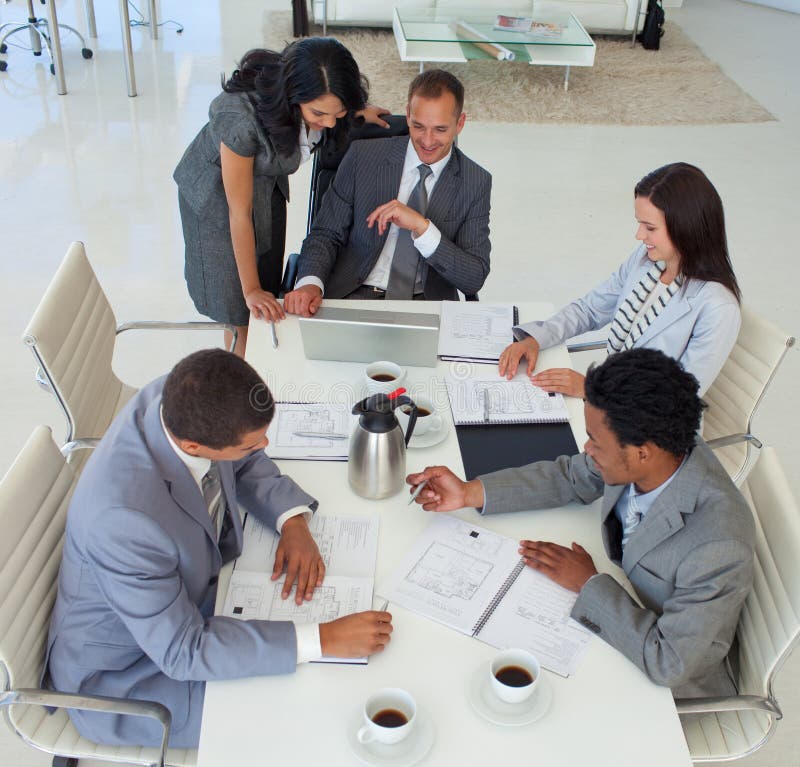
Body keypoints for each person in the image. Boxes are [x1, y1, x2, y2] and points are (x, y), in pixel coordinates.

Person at [45, 350, 393, 747]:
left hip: (193, 597)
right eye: (252, 444)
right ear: (194, 447)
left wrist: (291, 520)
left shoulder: (176, 397)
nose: (263, 445)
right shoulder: (125, 523)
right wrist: (322, 639)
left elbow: (240, 460)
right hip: (130, 675)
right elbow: (184, 652)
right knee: (313, 718)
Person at [407, 349, 754, 697]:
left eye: (596, 442)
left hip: (657, 683)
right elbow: (571, 476)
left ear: (641, 452)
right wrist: (469, 493)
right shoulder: (658, 443)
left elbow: (669, 662)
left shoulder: (718, 544)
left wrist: (588, 583)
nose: (586, 449)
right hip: (621, 615)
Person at [174, 39, 389, 356]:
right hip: (218, 201)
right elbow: (238, 213)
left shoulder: (322, 104)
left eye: (338, 112)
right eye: (319, 113)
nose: (330, 123)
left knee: (269, 281)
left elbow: (330, 108)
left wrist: (356, 112)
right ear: (293, 94)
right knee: (240, 305)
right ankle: (242, 368)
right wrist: (251, 290)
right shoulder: (240, 119)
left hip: (265, 184)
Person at [499, 162, 741, 398]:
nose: (639, 235)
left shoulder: (717, 307)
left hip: (652, 429)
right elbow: (590, 309)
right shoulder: (646, 260)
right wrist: (536, 339)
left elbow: (680, 399)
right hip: (611, 403)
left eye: (650, 228)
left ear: (685, 227)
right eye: (639, 224)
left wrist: (592, 389)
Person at [283, 68, 491, 314]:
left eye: (440, 129)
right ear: (407, 114)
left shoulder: (475, 181)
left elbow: (473, 278)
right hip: (352, 295)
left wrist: (422, 228)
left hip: (426, 304)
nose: (427, 140)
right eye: (418, 126)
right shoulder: (363, 157)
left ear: (460, 123)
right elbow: (325, 234)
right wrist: (310, 283)